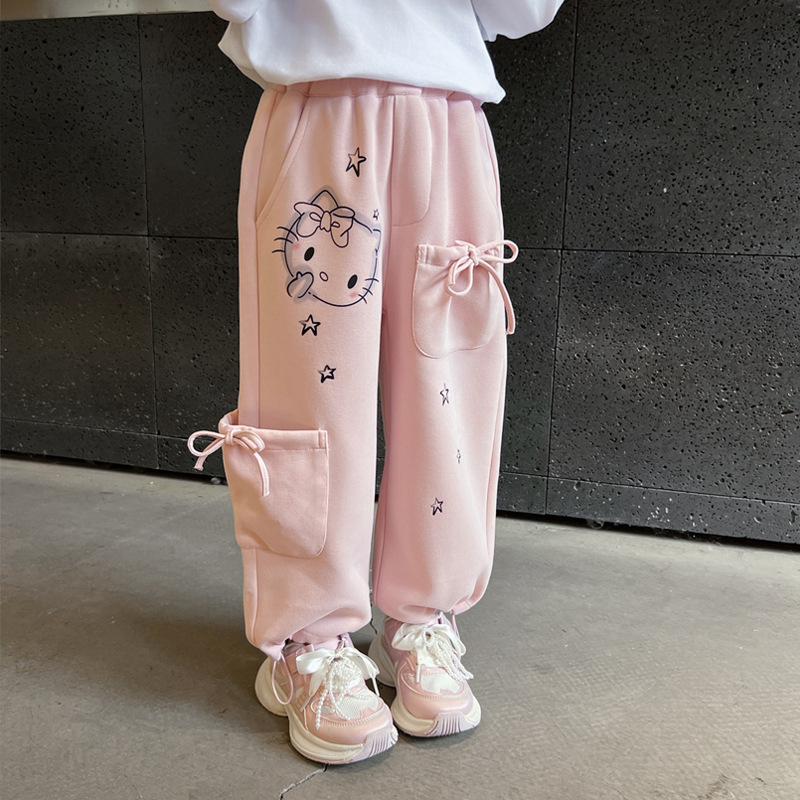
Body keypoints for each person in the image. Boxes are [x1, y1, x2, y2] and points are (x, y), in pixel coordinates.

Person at [188, 0, 565, 765]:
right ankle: (307, 640)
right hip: (320, 107)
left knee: (449, 387)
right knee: (306, 394)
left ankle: (424, 617)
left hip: (448, 120)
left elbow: (525, 9)